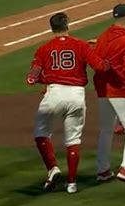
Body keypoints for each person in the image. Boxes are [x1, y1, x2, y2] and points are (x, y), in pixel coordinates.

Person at [26, 12, 109, 193]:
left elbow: (32, 78)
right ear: (67, 25)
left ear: (52, 28)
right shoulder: (81, 45)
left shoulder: (44, 49)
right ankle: (72, 183)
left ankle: (52, 167)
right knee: (73, 139)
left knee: (41, 133)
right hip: (76, 96)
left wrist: (48, 78)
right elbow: (101, 67)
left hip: (54, 94)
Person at [93, 4, 125, 188]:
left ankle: (103, 170)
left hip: (102, 87)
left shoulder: (103, 36)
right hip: (120, 88)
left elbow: (95, 60)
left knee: (106, 129)